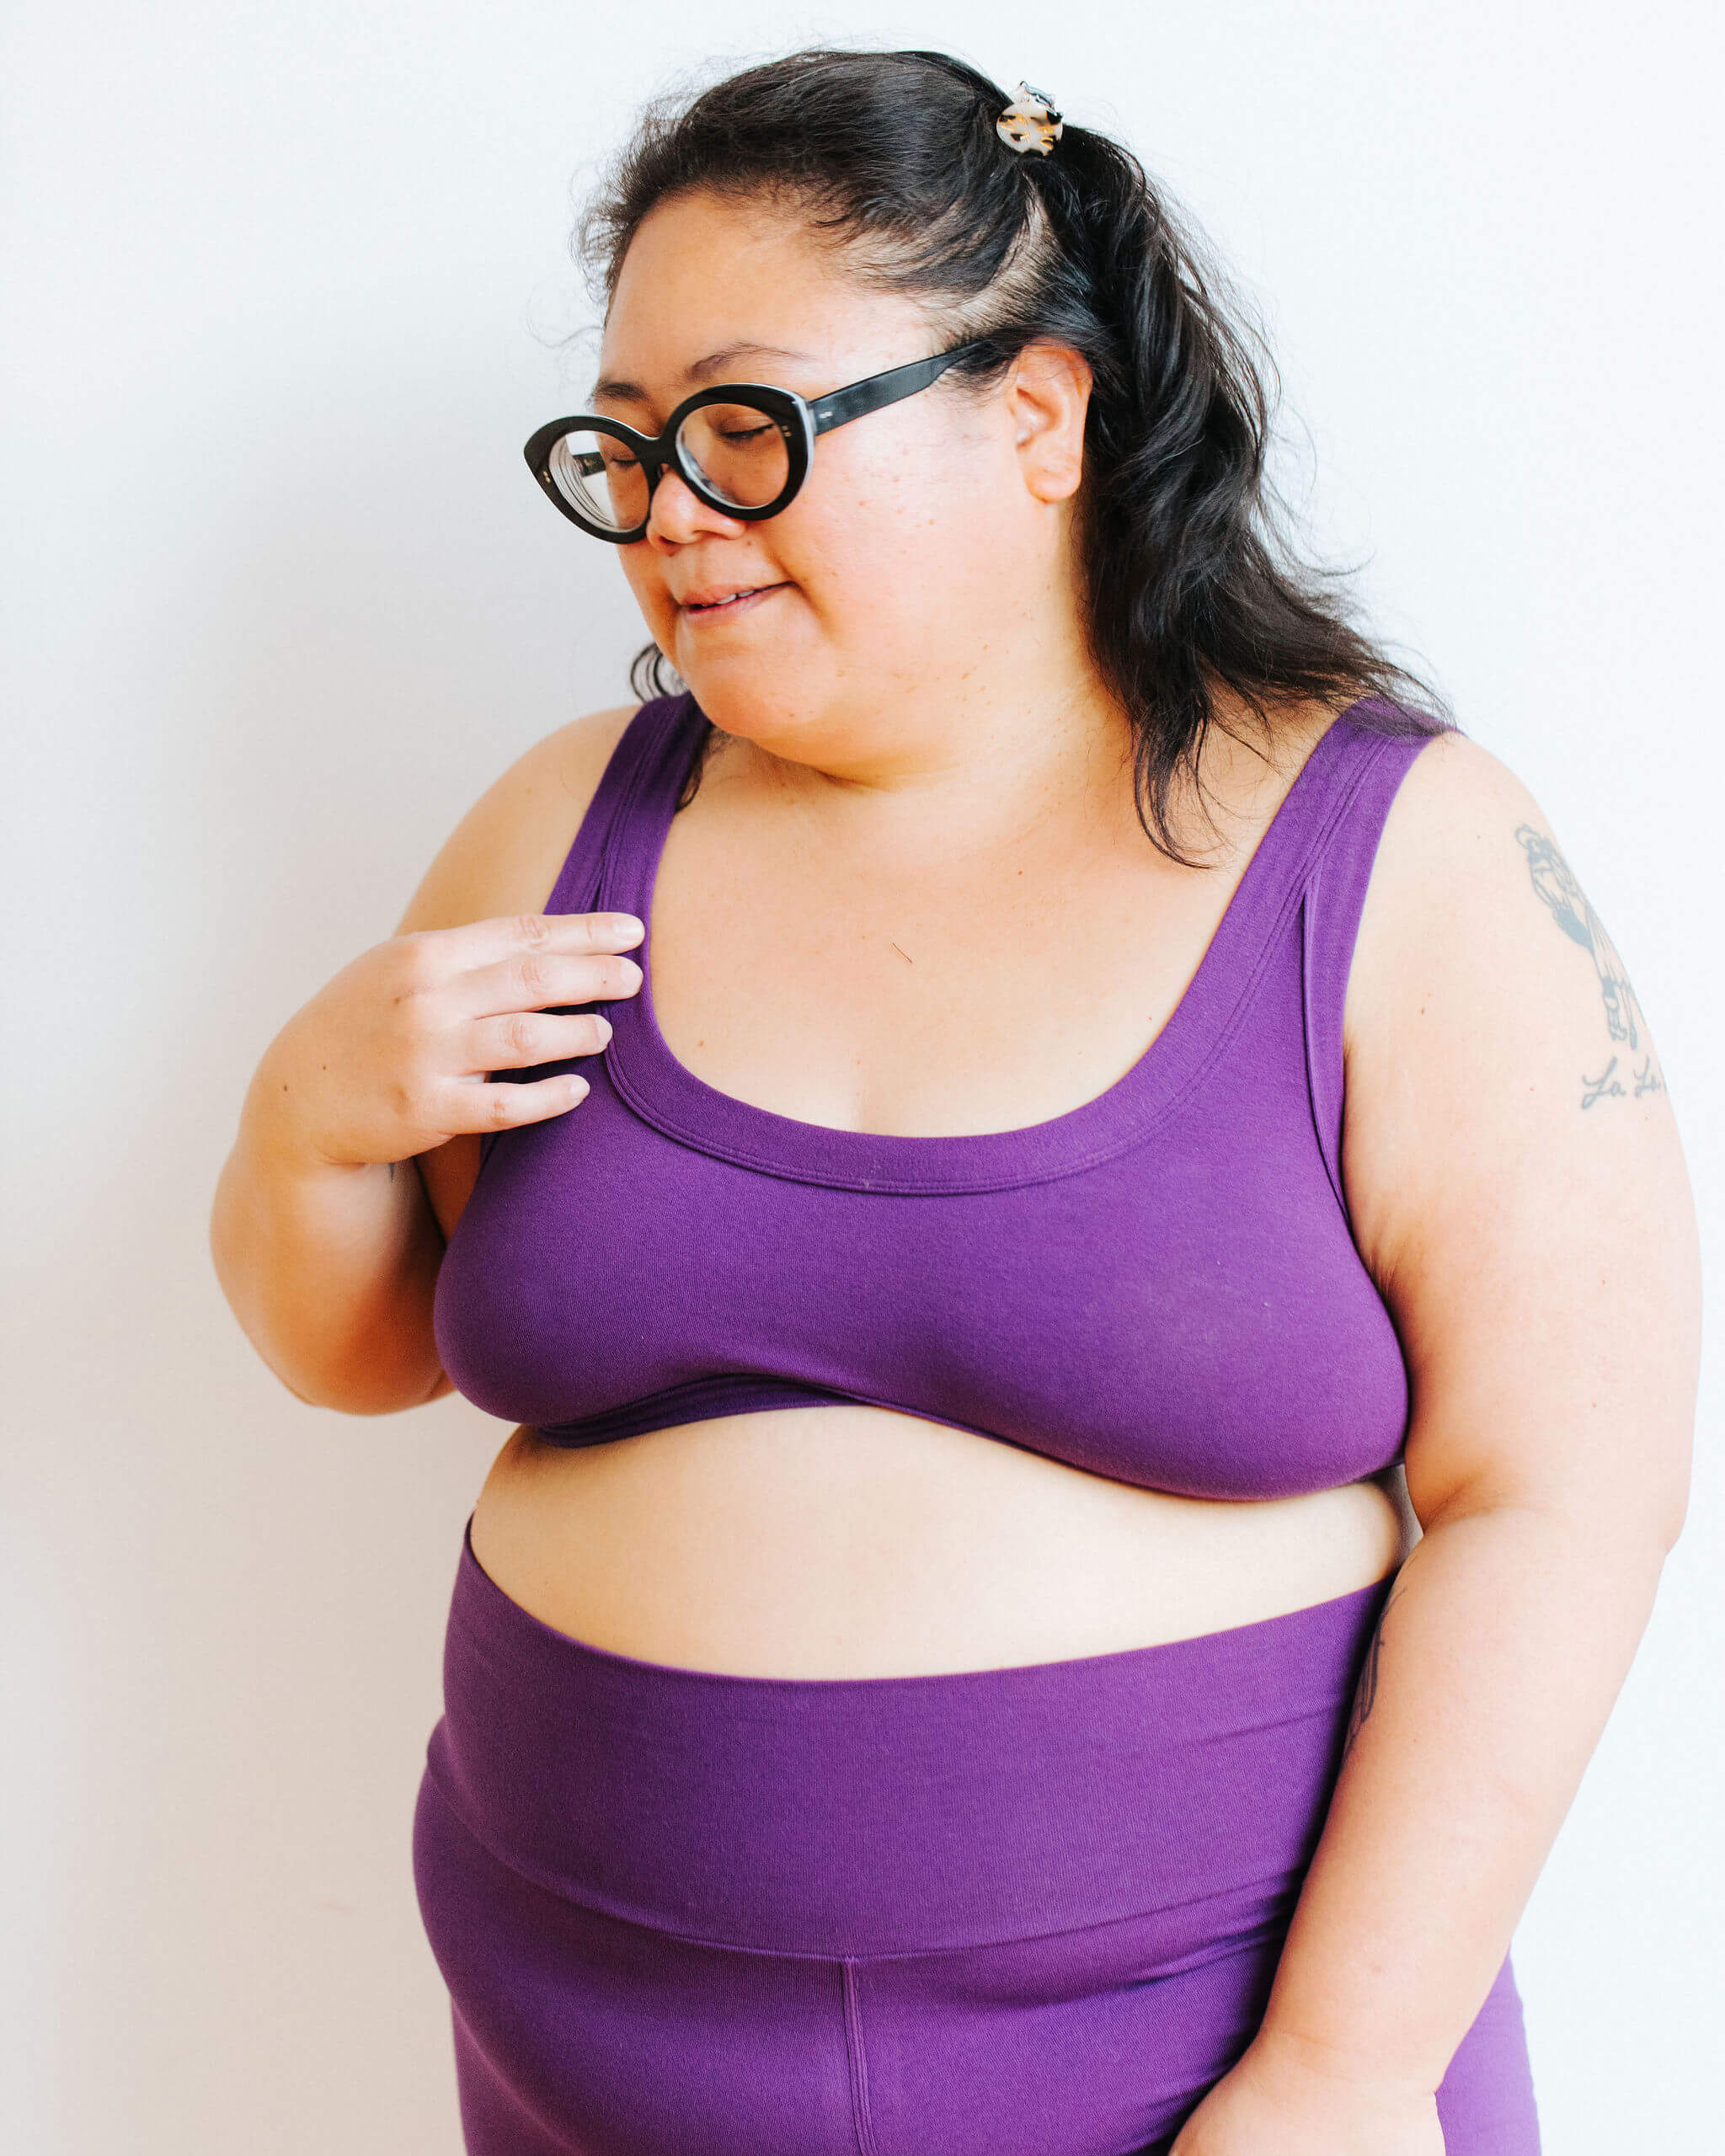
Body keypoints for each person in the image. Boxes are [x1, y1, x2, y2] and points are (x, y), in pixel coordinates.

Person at [208, 47, 1700, 2156]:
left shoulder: (1398, 853)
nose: (668, 518)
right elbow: (357, 1348)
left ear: (1037, 415)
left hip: (1210, 2074)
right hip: (582, 2044)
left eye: (746, 427)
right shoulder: (564, 820)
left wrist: (1341, 2072)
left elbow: (1563, 1491)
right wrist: (299, 1125)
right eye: (620, 451)